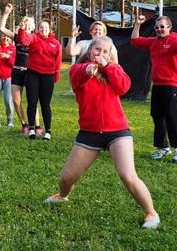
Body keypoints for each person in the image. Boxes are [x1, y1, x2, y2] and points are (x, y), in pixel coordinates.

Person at [43, 36, 160, 229]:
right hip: (89, 132)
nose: (100, 54)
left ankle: (151, 213)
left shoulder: (114, 69)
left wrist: (109, 66)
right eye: (97, 50)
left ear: (110, 54)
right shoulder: (78, 70)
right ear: (90, 51)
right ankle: (62, 196)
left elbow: (124, 86)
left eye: (105, 51)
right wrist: (89, 70)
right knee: (66, 178)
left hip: (118, 131)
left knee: (128, 175)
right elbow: (78, 76)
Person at [131, 15, 177, 162]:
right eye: (157, 27)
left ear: (169, 27)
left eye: (162, 26)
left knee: (172, 116)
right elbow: (135, 41)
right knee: (157, 116)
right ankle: (162, 147)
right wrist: (137, 25)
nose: (159, 29)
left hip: (173, 85)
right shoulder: (154, 42)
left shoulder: (174, 39)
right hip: (157, 85)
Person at [0, 4, 43, 135]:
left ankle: (37, 125)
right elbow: (1, 28)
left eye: (30, 25)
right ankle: (24, 124)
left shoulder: (36, 39)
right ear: (23, 25)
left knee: (32, 101)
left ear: (33, 27)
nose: (28, 26)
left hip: (30, 72)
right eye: (26, 24)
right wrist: (6, 13)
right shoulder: (17, 37)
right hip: (17, 71)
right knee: (16, 101)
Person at [17, 19, 62, 140]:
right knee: (32, 102)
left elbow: (58, 61)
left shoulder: (56, 43)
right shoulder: (33, 38)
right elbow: (23, 40)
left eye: (46, 28)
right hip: (32, 74)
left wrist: (56, 76)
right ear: (38, 29)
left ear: (50, 29)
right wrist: (22, 28)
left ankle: (48, 131)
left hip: (48, 76)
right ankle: (31, 129)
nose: (43, 30)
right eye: (41, 27)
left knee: (45, 104)